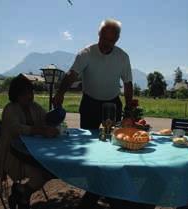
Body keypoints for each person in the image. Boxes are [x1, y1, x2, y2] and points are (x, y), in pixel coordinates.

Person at [53, 19, 154, 209]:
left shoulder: (122, 56)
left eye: (111, 41)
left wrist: (129, 110)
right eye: (104, 39)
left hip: (112, 103)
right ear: (98, 35)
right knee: (91, 148)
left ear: (117, 39)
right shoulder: (86, 53)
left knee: (113, 146)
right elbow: (71, 75)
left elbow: (128, 84)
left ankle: (103, 190)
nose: (107, 45)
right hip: (90, 103)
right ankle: (98, 188)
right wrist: (60, 93)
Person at [0, 75, 59, 209]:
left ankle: (21, 192)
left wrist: (55, 118)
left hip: (32, 152)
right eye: (25, 93)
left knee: (51, 169)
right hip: (13, 154)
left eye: (31, 92)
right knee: (42, 173)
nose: (30, 96)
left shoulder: (34, 107)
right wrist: (40, 130)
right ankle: (23, 196)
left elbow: (46, 119)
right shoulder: (10, 109)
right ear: (16, 95)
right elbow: (15, 129)